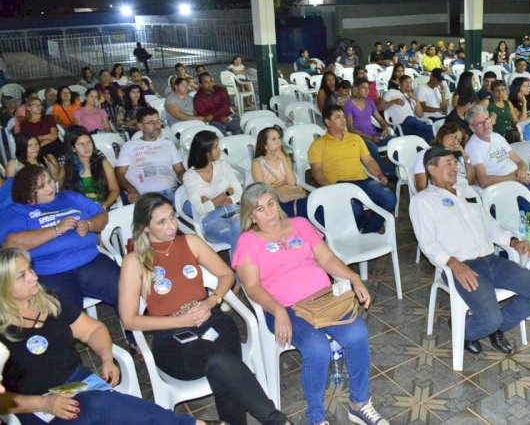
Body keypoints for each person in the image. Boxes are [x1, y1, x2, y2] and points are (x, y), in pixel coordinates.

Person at [119, 194, 290, 425]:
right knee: (221, 360)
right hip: (172, 337)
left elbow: (226, 274)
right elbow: (129, 320)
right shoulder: (135, 261)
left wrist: (212, 301)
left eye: (172, 217)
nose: (171, 226)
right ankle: (277, 421)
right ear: (144, 227)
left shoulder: (190, 242)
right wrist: (181, 321)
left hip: (212, 319)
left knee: (222, 362)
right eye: (161, 222)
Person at [234, 183, 388, 425]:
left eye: (271, 204)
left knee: (357, 333)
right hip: (285, 309)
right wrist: (277, 311)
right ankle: (316, 418)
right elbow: (251, 286)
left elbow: (326, 258)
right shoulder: (248, 241)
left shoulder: (300, 225)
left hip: (323, 301)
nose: (269, 212)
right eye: (260, 209)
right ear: (251, 215)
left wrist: (353, 277)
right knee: (317, 349)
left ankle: (359, 404)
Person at [0, 248, 205, 425]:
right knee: (98, 405)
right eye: (22, 276)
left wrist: (107, 358)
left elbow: (93, 330)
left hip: (76, 383)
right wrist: (44, 403)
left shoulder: (50, 301)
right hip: (34, 406)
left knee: (109, 410)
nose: (34, 277)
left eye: (30, 269)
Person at [409, 146, 530, 356]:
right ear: (431, 168)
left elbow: (489, 225)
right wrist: (456, 265)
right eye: (447, 163)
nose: (454, 167)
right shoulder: (422, 202)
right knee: (489, 318)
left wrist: (512, 241)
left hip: (491, 261)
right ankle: (466, 332)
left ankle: (497, 329)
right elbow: (428, 245)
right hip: (462, 267)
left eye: (454, 162)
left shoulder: (468, 192)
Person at [0, 165, 123, 325]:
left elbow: (102, 215)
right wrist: (57, 229)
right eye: (42, 186)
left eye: (50, 181)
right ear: (29, 193)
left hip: (90, 260)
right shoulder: (15, 212)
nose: (50, 187)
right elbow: (12, 244)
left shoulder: (69, 197)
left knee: (126, 291)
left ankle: (135, 338)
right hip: (50, 271)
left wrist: (90, 224)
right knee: (62, 316)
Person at [308, 105, 396, 233]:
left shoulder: (355, 138)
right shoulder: (318, 144)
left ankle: (367, 231)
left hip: (362, 181)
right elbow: (316, 171)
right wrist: (330, 188)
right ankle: (360, 227)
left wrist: (379, 174)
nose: (343, 120)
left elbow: (368, 160)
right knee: (354, 208)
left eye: (344, 116)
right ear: (327, 122)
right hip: (338, 185)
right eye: (338, 117)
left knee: (389, 198)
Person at [184, 130, 243, 253]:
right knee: (241, 236)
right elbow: (200, 209)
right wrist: (226, 193)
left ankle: (242, 270)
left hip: (234, 210)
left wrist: (212, 201)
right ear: (205, 151)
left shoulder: (223, 165)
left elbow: (239, 192)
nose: (220, 150)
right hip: (211, 220)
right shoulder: (190, 176)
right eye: (216, 147)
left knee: (242, 230)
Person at [115, 107, 184, 203]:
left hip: (172, 192)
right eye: (151, 123)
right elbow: (119, 174)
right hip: (147, 196)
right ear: (140, 126)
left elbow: (180, 170)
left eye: (158, 121)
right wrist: (131, 189)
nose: (157, 126)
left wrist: (187, 179)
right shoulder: (129, 146)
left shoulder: (168, 144)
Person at [251, 126, 309, 218]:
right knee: (304, 209)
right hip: (274, 200)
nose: (278, 141)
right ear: (264, 145)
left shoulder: (285, 158)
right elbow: (262, 190)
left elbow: (292, 182)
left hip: (291, 195)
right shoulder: (257, 163)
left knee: (312, 205)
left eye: (279, 138)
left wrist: (283, 158)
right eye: (274, 139)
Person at [344, 77, 395, 177]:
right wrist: (369, 137)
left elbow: (380, 120)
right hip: (359, 137)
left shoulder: (369, 102)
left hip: (374, 134)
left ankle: (394, 171)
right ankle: (383, 174)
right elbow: (350, 127)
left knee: (396, 141)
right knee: (372, 148)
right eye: (363, 88)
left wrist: (384, 128)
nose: (367, 90)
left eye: (368, 88)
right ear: (356, 89)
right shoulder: (348, 105)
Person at [61, 126, 120, 211]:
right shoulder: (68, 168)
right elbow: (64, 195)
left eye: (89, 142)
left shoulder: (103, 163)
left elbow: (115, 190)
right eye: (81, 144)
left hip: (103, 207)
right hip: (80, 211)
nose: (87, 147)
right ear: (73, 148)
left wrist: (103, 207)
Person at [413, 123, 475, 191]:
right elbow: (421, 187)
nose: (456, 142)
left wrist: (466, 157)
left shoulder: (458, 156)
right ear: (443, 134)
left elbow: (471, 181)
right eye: (454, 137)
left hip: (464, 192)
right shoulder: (425, 154)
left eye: (459, 141)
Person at [382, 75, 434, 142]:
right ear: (400, 84)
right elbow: (380, 106)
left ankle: (433, 149)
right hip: (400, 126)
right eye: (406, 82)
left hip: (414, 126)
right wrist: (394, 101)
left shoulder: (412, 96)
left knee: (428, 133)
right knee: (410, 119)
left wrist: (416, 100)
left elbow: (420, 115)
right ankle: (432, 128)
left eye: (410, 82)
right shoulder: (392, 92)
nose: (408, 84)